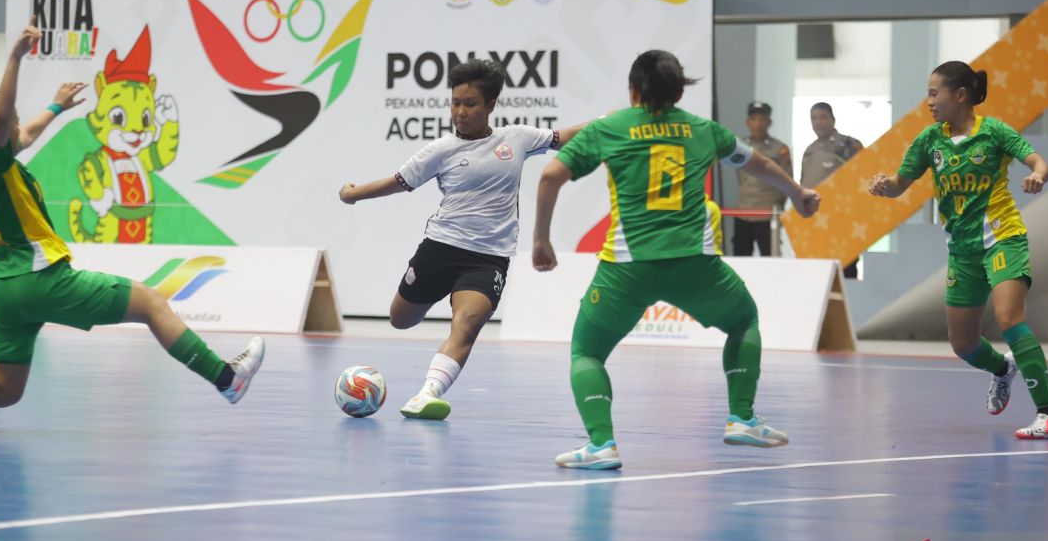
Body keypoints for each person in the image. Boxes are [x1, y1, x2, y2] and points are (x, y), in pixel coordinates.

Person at [0, 21, 264, 412]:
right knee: (152, 303)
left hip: (5, 289)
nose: (17, 121)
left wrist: (56, 106)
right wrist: (16, 57)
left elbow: (25, 132)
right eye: (13, 116)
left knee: (4, 390)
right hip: (41, 279)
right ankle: (226, 379)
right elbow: (5, 121)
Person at [533, 50, 820, 469]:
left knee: (587, 352)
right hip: (695, 266)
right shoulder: (703, 130)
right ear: (681, 91)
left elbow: (549, 176)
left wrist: (542, 239)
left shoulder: (609, 127)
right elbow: (756, 162)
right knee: (743, 321)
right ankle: (741, 418)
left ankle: (601, 445)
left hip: (626, 270)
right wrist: (797, 193)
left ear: (633, 90)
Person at [339, 59, 584, 421]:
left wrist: (613, 122)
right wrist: (353, 193)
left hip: (487, 258)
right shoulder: (441, 149)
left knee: (467, 322)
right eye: (455, 102)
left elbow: (564, 136)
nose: (460, 111)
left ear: (490, 106)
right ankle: (436, 302)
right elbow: (398, 182)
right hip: (439, 248)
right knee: (400, 319)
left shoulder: (515, 139)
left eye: (470, 104)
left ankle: (427, 394)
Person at [869, 61, 1048, 440]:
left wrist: (1037, 175)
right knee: (963, 344)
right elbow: (899, 183)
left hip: (1002, 237)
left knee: (1010, 319)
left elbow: (1039, 161)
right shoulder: (929, 141)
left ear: (959, 95)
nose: (928, 101)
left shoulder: (993, 132)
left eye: (933, 93)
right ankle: (1000, 369)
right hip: (962, 250)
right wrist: (883, 185)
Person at [800, 101, 862, 277]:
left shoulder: (848, 144)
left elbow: (862, 178)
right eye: (814, 118)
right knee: (819, 271)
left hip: (843, 218)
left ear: (833, 119)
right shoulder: (809, 151)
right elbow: (803, 183)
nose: (818, 122)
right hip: (816, 219)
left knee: (846, 270)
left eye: (823, 117)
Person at [732, 101, 790, 257]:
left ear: (769, 122)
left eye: (762, 119)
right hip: (743, 211)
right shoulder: (739, 145)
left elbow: (787, 181)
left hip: (767, 212)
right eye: (754, 119)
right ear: (747, 122)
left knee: (771, 259)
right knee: (741, 259)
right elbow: (740, 178)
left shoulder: (779, 148)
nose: (758, 123)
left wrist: (778, 207)